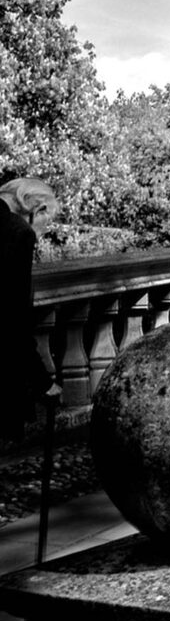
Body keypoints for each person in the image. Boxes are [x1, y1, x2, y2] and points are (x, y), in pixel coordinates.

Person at [0, 178, 61, 443]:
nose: (40, 234)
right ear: (37, 210)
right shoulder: (16, 233)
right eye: (44, 227)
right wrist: (43, 382)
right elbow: (11, 320)